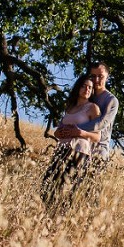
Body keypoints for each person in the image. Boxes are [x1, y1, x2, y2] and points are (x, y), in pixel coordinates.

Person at [40, 74, 102, 210]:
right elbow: (59, 129)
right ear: (78, 88)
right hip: (62, 149)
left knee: (67, 191)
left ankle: (60, 220)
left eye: (90, 88)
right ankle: (47, 216)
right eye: (84, 86)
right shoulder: (70, 107)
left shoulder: (92, 108)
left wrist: (81, 133)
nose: (87, 89)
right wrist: (58, 133)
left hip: (79, 153)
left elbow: (97, 136)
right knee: (46, 186)